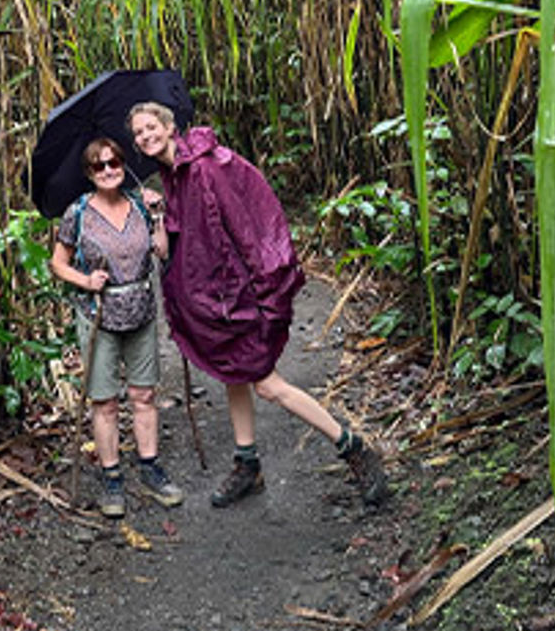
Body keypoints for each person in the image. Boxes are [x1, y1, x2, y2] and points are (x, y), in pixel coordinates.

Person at [128, 100, 386, 509]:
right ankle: (247, 463)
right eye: (138, 134)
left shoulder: (208, 166)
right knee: (233, 372)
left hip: (239, 294)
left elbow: (245, 229)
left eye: (150, 127)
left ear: (168, 125)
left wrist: (265, 292)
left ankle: (352, 445)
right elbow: (176, 248)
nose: (145, 136)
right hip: (216, 302)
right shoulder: (171, 179)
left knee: (267, 384)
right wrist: (158, 219)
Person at [48, 137, 185, 517]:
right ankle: (111, 477)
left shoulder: (141, 204)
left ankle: (150, 467)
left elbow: (162, 252)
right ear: (89, 173)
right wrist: (85, 280)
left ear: (124, 165)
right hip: (99, 314)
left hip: (140, 310)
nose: (108, 170)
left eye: (114, 163)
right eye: (99, 166)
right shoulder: (77, 213)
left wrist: (159, 217)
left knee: (143, 396)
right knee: (105, 400)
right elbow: (57, 263)